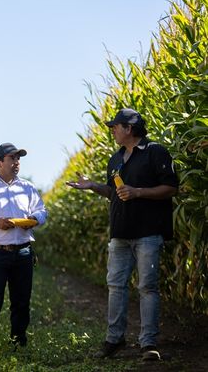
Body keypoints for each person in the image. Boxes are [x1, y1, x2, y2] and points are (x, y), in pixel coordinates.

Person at [66, 108, 178, 362]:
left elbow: (171, 187)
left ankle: (148, 343)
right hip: (119, 234)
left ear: (130, 128)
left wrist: (138, 192)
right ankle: (114, 339)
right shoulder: (115, 160)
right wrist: (93, 186)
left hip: (148, 232)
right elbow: (114, 193)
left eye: (115, 126)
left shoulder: (155, 152)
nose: (112, 130)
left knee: (147, 287)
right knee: (116, 287)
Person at [0, 143, 47, 353]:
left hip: (23, 252)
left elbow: (42, 211)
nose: (16, 163)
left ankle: (18, 342)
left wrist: (34, 219)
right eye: (12, 158)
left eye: (18, 159)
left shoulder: (28, 187)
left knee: (21, 302)